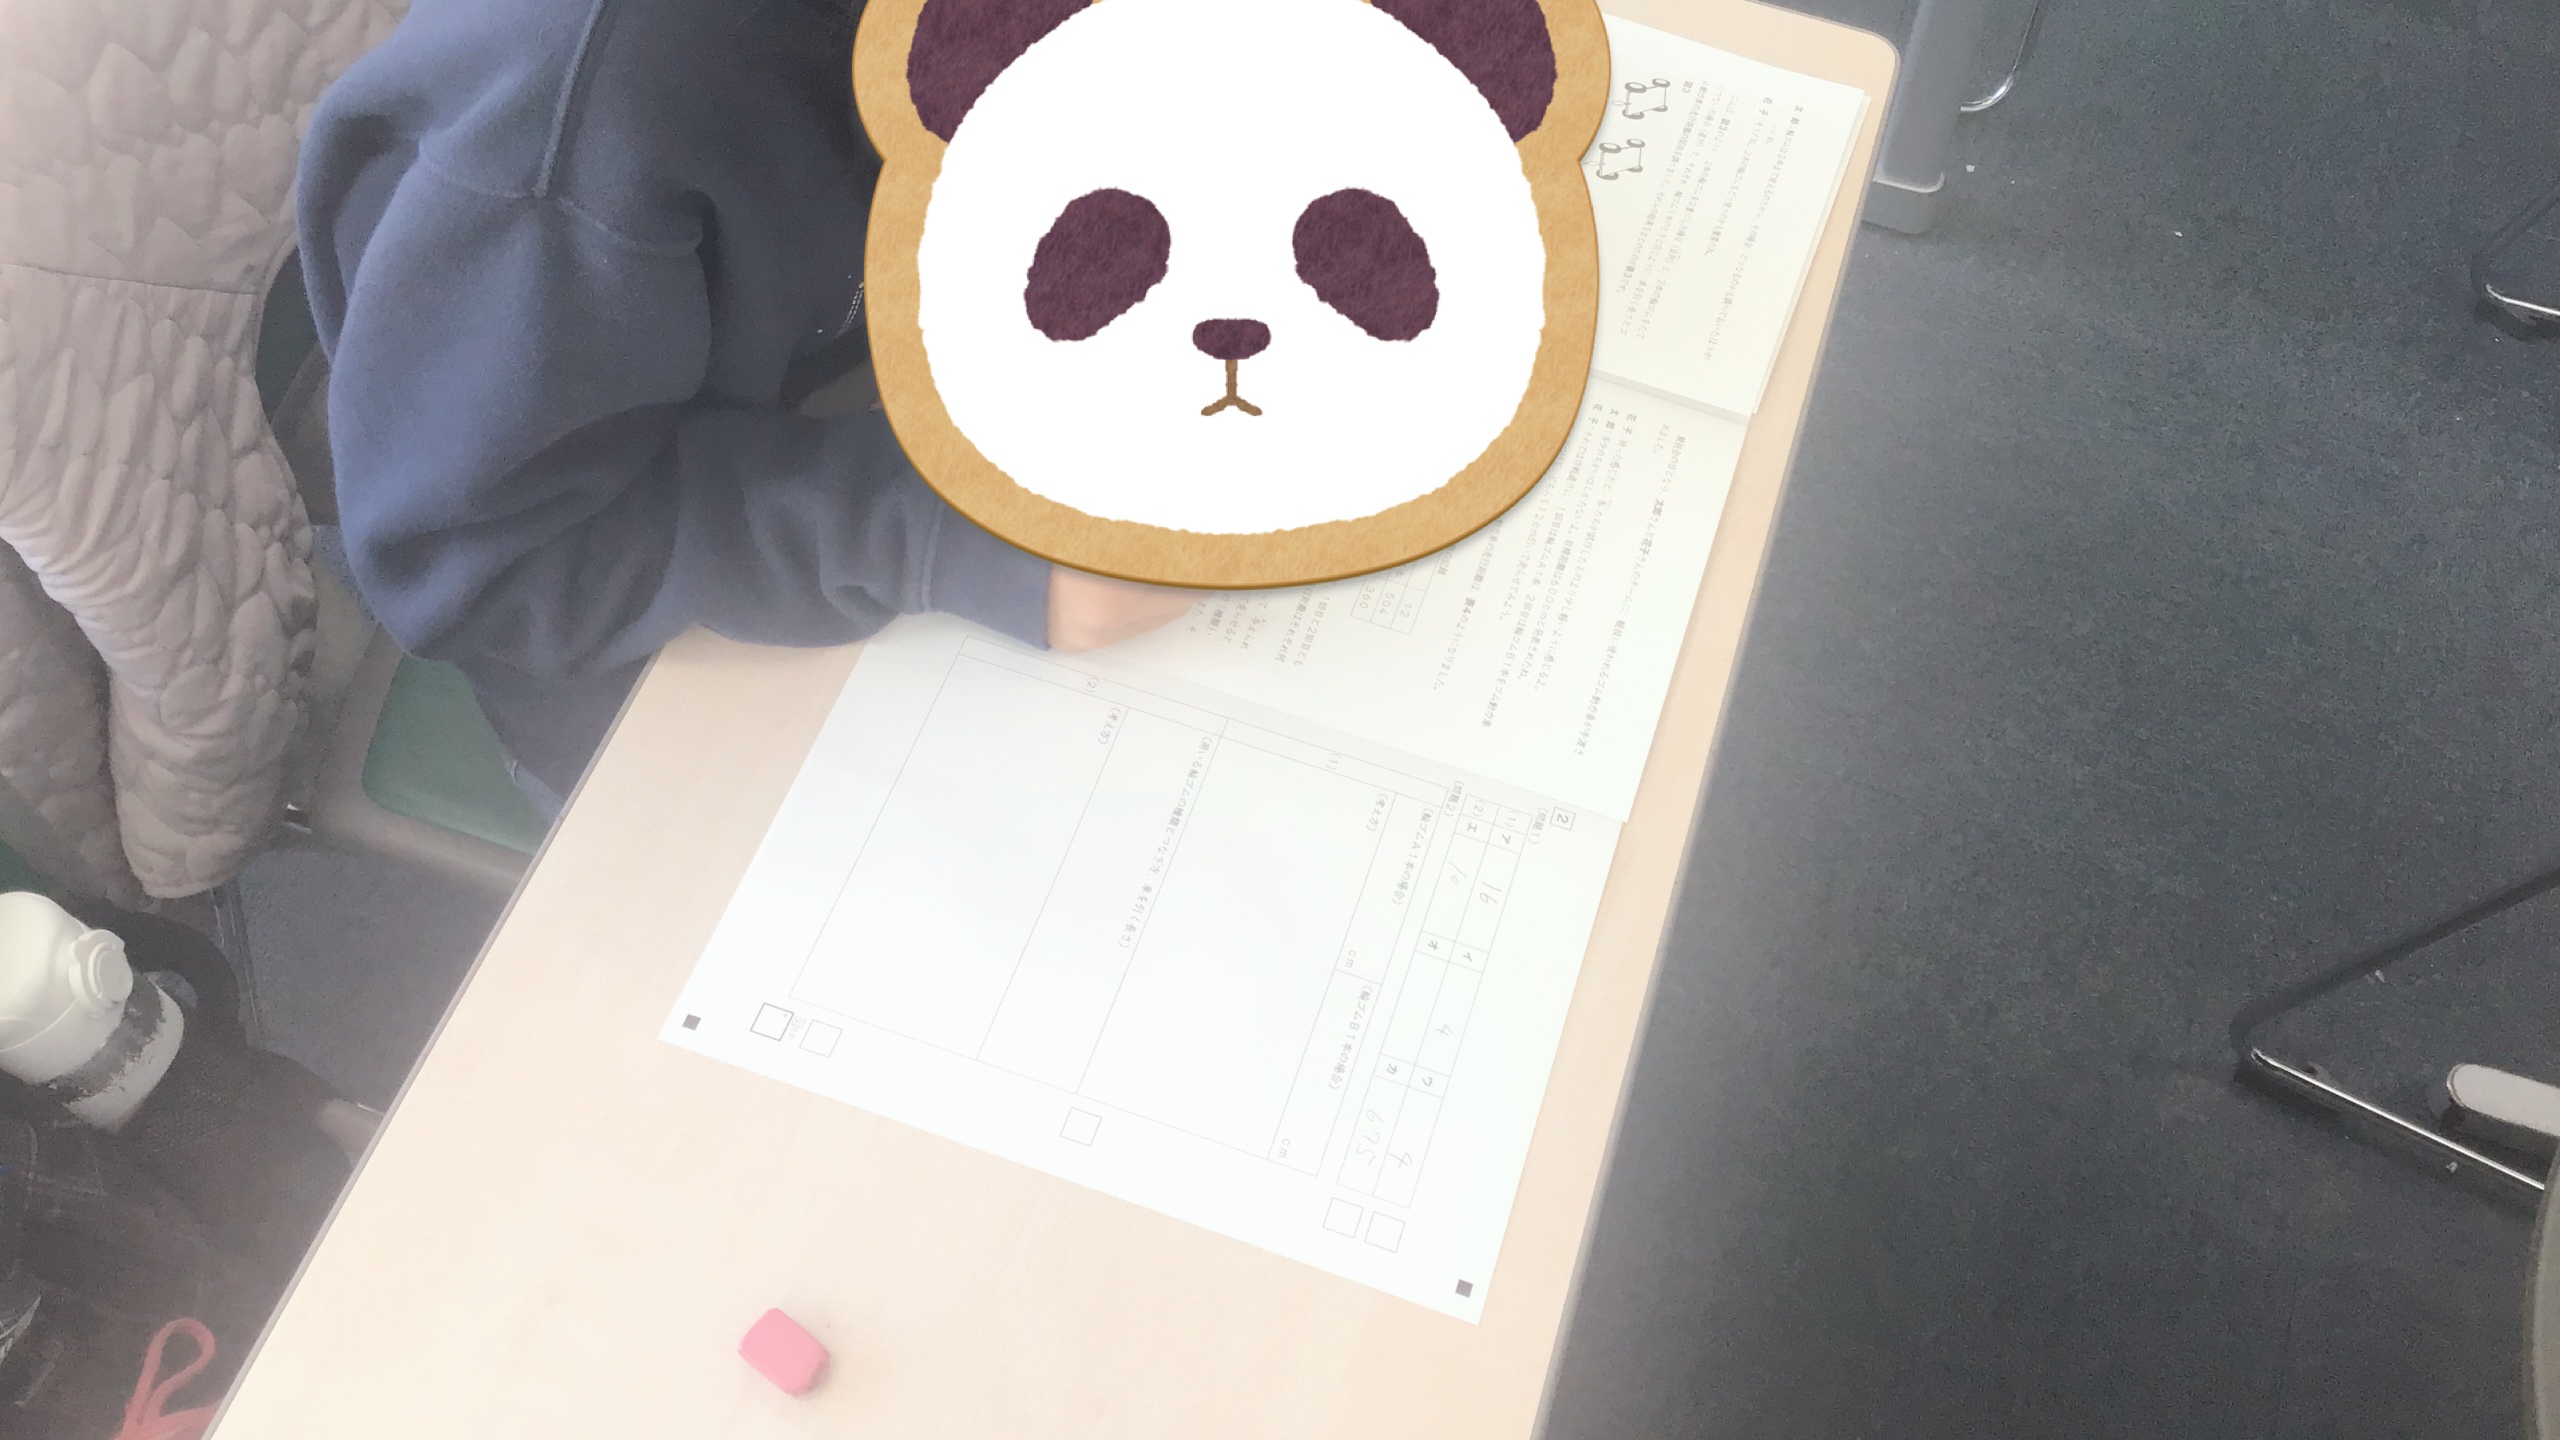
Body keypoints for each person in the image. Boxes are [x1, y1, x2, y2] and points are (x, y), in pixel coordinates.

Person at [296, 0, 1191, 811]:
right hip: (637, 652)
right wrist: (941, 532)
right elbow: (476, 569)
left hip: (842, 414)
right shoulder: (577, 119)